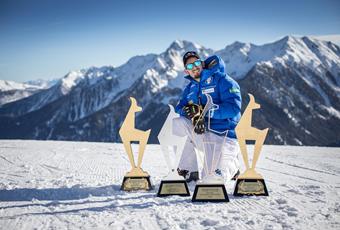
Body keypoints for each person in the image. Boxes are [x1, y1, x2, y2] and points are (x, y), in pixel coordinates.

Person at [173, 51, 242, 182]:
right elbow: (179, 107)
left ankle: (232, 165)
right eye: (189, 66)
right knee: (178, 123)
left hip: (224, 135)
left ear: (202, 64)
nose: (194, 67)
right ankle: (189, 170)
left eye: (196, 63)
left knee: (211, 179)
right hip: (203, 133)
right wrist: (189, 111)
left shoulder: (222, 80)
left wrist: (206, 112)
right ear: (186, 71)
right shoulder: (190, 87)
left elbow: (233, 108)